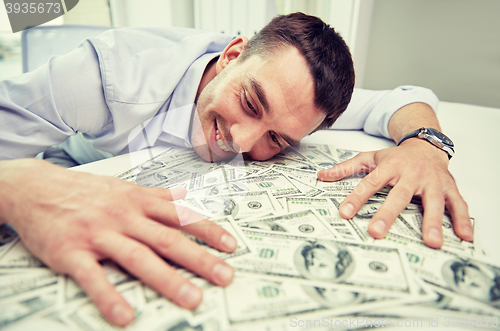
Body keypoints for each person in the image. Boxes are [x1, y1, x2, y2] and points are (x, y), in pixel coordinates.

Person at [0, 12, 472, 327]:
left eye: (277, 139)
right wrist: (21, 184)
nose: (241, 142)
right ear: (232, 56)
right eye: (249, 102)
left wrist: (425, 146)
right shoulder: (104, 74)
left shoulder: (293, 101)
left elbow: (401, 98)